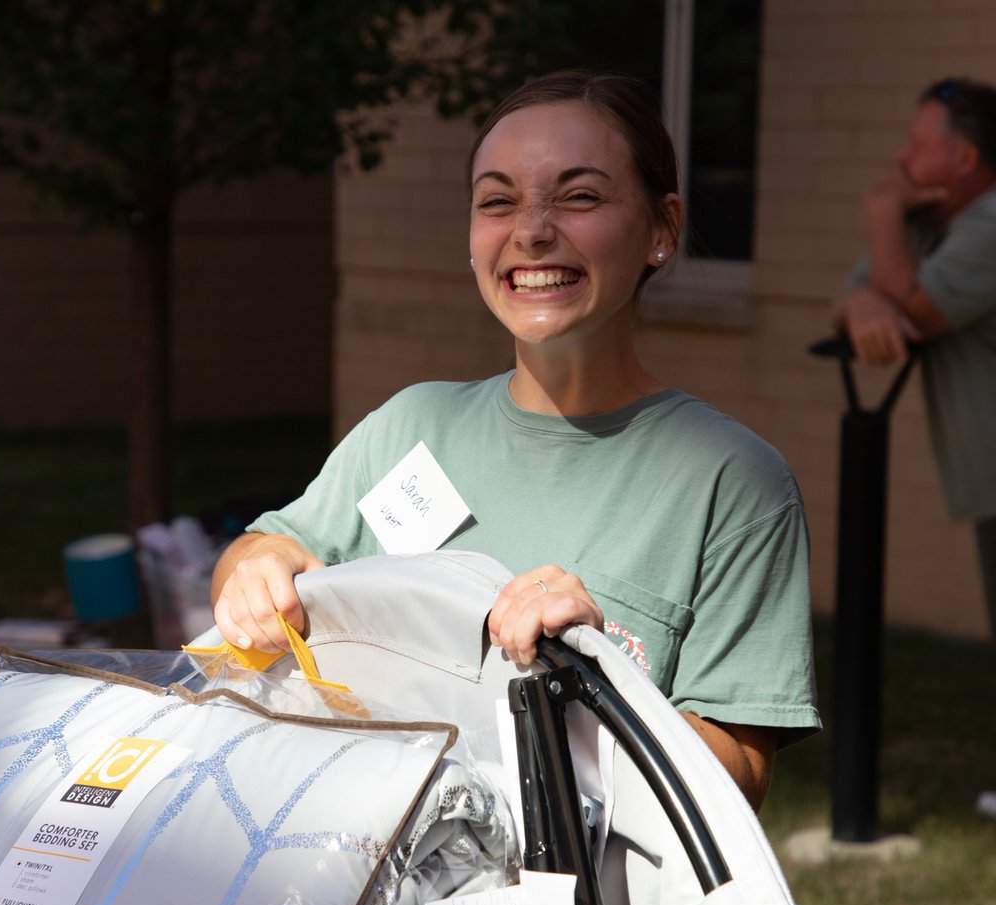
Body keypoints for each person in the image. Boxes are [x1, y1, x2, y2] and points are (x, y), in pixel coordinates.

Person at [211, 69, 820, 812]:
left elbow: (740, 778)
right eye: (498, 201)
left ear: (662, 230)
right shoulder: (410, 429)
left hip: (577, 888)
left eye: (580, 197)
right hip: (363, 868)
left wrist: (593, 682)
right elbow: (268, 549)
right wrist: (253, 567)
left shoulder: (736, 484)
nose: (531, 231)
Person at [832, 75, 996, 819]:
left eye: (918, 145)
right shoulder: (928, 224)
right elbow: (852, 301)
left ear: (964, 159)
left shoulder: (989, 224)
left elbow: (917, 310)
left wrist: (879, 215)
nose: (901, 159)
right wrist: (866, 299)